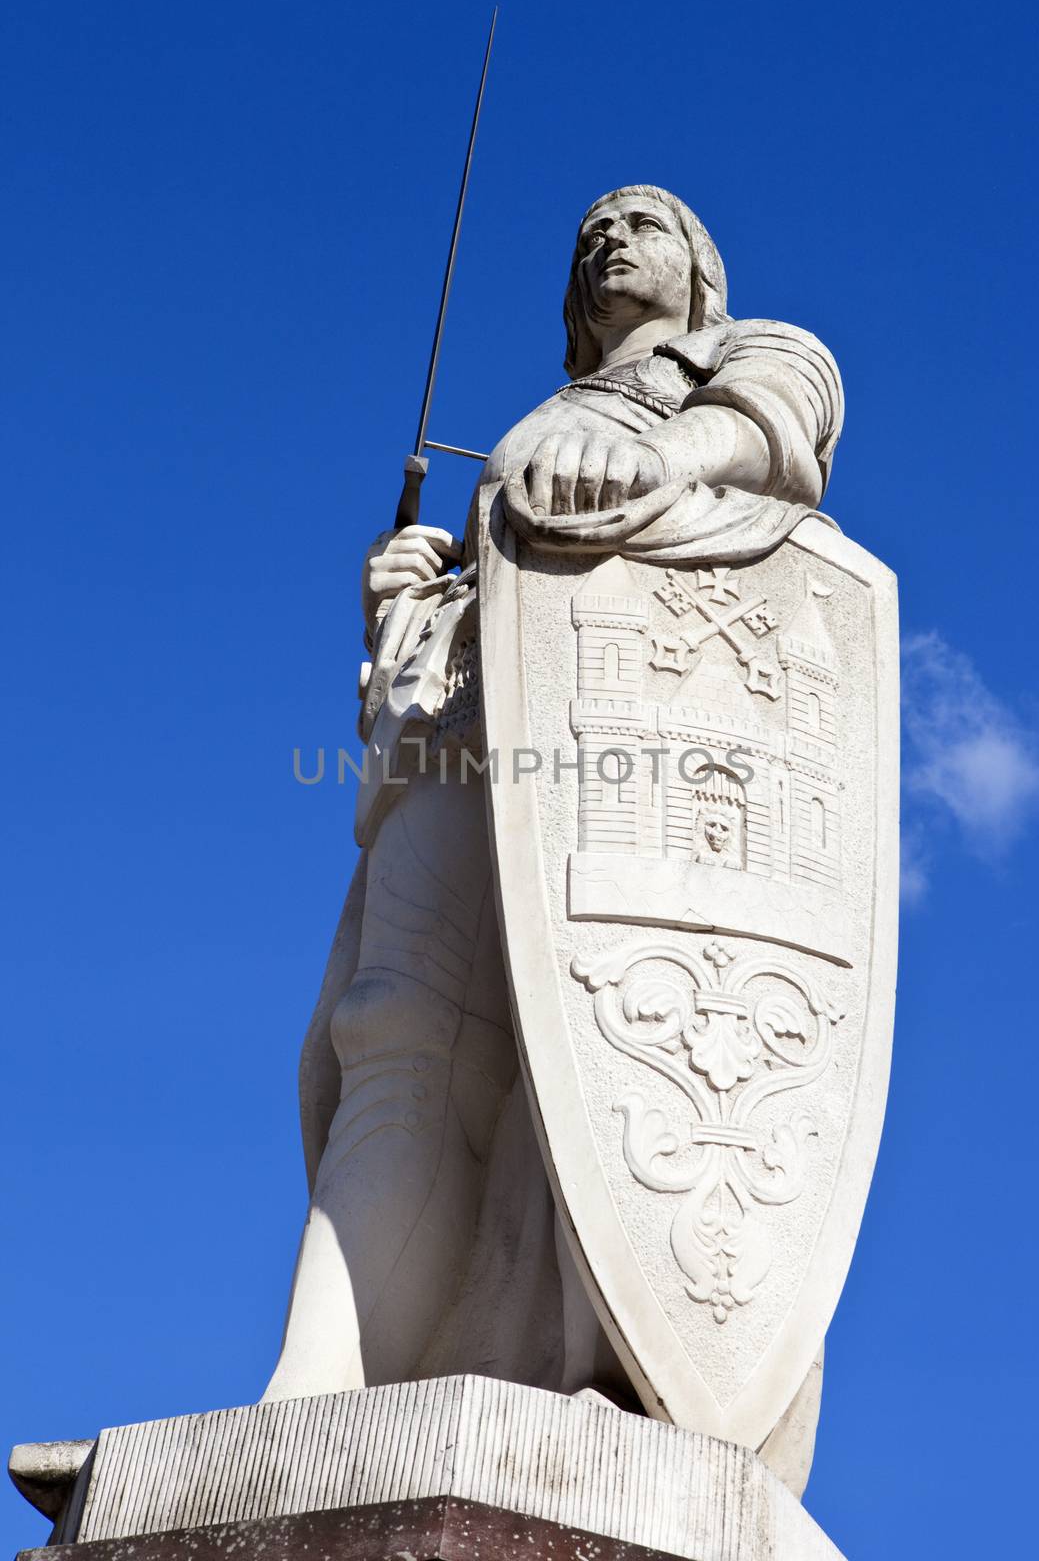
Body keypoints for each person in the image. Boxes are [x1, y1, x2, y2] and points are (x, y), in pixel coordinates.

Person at [263, 186, 842, 1496]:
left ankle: (627, 1376)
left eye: (641, 223)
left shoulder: (747, 360)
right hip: (477, 725)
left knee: (611, 1070)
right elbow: (462, 644)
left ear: (700, 269)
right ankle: (314, 1393)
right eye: (589, 237)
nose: (609, 240)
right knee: (395, 1035)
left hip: (631, 764)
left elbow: (784, 423)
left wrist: (665, 462)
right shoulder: (542, 421)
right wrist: (409, 616)